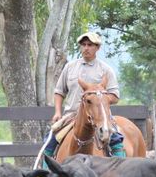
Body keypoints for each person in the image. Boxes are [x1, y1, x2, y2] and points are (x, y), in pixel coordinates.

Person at [42, 31, 124, 165]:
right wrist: (57, 112)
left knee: (115, 139)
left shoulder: (106, 70)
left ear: (97, 47)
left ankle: (121, 170)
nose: (86, 48)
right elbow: (59, 91)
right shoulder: (70, 67)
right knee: (49, 140)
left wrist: (99, 98)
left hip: (100, 117)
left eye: (90, 45)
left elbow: (114, 96)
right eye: (83, 45)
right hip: (72, 115)